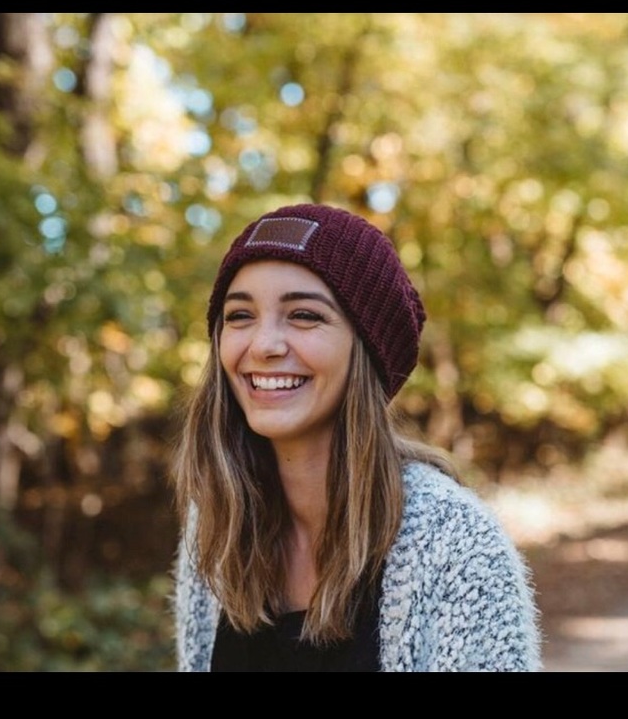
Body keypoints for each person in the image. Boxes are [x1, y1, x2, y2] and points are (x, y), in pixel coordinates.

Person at [171, 201, 542, 671]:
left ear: (365, 349)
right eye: (240, 316)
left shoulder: (454, 545)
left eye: (304, 315)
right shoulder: (215, 523)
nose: (263, 345)